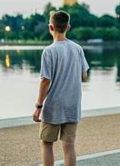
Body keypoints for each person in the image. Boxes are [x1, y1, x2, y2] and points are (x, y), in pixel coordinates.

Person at [32, 10, 89, 166]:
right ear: (68, 27)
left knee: (46, 143)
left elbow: (45, 80)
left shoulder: (49, 51)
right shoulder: (77, 49)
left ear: (51, 27)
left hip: (53, 106)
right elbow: (84, 76)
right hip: (72, 105)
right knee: (69, 145)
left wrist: (38, 106)